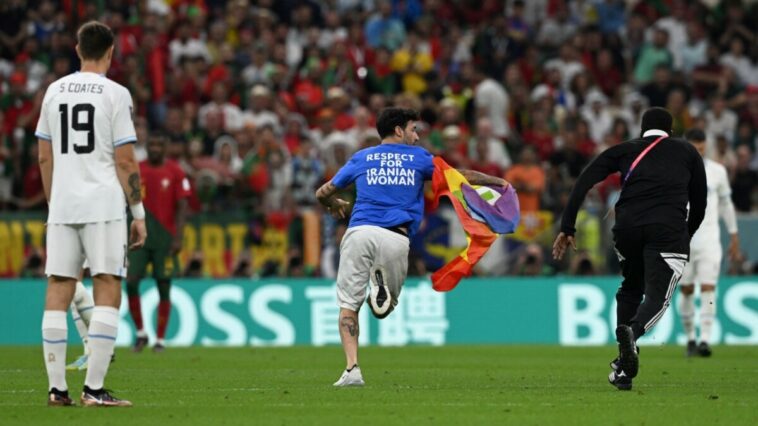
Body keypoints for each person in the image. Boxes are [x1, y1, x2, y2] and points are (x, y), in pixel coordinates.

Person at [315, 108, 507, 387]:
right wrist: (495, 181)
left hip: (358, 232)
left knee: (347, 306)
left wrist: (335, 204)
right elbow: (458, 176)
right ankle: (379, 288)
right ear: (398, 130)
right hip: (395, 238)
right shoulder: (419, 159)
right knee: (385, 308)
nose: (416, 137)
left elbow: (322, 193)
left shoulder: (362, 157)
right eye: (413, 129)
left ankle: (352, 368)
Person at [553, 107, 706, 391]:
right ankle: (632, 336)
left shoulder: (624, 150)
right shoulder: (687, 152)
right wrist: (686, 234)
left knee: (631, 288)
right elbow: (700, 202)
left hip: (626, 230)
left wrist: (568, 226)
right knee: (658, 296)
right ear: (670, 131)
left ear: (641, 130)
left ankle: (624, 369)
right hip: (667, 231)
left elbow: (585, 179)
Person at [35, 21, 146, 407]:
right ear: (111, 52)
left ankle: (56, 389)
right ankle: (94, 390)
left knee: (59, 287)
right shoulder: (116, 94)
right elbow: (126, 160)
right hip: (103, 206)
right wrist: (139, 211)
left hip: (63, 204)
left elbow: (45, 155)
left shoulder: (53, 91)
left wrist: (56, 201)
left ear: (77, 49)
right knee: (107, 285)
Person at [127, 132, 190, 353]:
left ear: (165, 147)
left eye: (158, 144)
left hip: (165, 238)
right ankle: (141, 332)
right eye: (151, 143)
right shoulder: (138, 169)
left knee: (164, 285)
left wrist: (178, 237)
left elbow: (183, 206)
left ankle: (160, 339)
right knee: (131, 281)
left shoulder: (175, 171)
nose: (154, 147)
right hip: (140, 237)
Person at [679, 129, 740, 357]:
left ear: (706, 146)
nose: (699, 150)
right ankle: (690, 339)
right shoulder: (676, 173)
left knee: (708, 289)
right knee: (686, 290)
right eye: (695, 146)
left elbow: (726, 205)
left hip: (709, 241)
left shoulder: (717, 172)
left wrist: (734, 234)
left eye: (702, 146)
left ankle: (704, 339)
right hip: (683, 242)